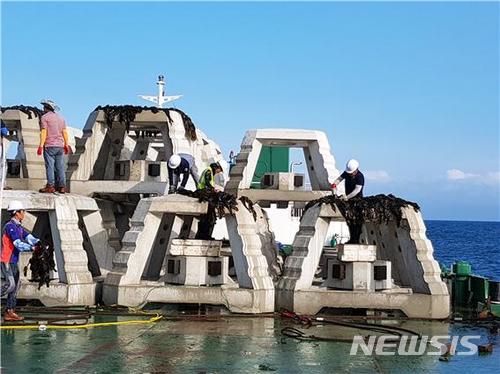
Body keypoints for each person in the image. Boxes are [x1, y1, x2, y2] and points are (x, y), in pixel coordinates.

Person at [1, 200, 39, 321]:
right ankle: (9, 311)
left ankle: (9, 311)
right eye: (23, 211)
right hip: (6, 260)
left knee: (16, 285)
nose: (24, 213)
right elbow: (18, 244)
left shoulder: (19, 227)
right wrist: (32, 248)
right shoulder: (10, 227)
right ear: (17, 213)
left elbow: (29, 237)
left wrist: (39, 243)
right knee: (10, 285)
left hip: (13, 261)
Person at [37, 99, 71, 194]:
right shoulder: (61, 118)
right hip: (60, 146)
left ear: (46, 108)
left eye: (44, 107)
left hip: (49, 146)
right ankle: (62, 187)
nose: (43, 109)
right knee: (60, 167)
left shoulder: (44, 118)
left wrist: (40, 146)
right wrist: (66, 144)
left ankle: (50, 186)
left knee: (50, 167)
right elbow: (64, 132)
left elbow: (44, 132)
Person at [195, 162, 224, 240]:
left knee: (207, 219)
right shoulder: (209, 171)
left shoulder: (209, 171)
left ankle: (203, 235)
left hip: (204, 191)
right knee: (209, 218)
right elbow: (207, 182)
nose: (218, 172)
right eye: (218, 170)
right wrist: (213, 189)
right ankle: (205, 235)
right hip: (203, 191)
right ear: (216, 168)